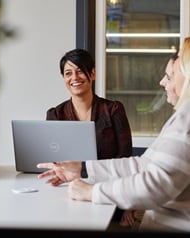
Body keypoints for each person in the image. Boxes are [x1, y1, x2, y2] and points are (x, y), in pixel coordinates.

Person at [37, 37, 190, 233]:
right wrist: (82, 169)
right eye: (68, 73)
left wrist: (93, 191)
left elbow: (154, 183)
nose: (162, 82)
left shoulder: (185, 122)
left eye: (169, 76)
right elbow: (142, 164)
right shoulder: (55, 113)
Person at [46, 48, 135, 227]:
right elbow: (54, 159)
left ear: (92, 73)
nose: (75, 78)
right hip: (70, 191)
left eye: (80, 71)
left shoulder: (113, 110)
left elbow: (125, 158)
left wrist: (128, 203)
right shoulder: (55, 114)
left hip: (109, 191)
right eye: (68, 73)